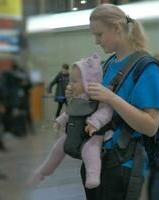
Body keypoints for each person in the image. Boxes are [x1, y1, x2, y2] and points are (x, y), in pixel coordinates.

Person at [66, 4, 159, 199]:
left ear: (117, 28)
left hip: (122, 165)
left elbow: (151, 125)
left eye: (99, 34)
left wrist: (110, 97)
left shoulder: (146, 67)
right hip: (98, 161)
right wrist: (78, 96)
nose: (96, 41)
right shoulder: (110, 63)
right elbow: (102, 107)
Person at [27, 53, 113, 189]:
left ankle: (93, 176)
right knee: (57, 147)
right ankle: (43, 170)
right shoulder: (77, 98)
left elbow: (106, 112)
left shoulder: (98, 98)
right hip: (73, 135)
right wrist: (59, 121)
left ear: (88, 81)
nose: (70, 84)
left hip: (90, 137)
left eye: (75, 81)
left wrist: (94, 122)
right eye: (71, 80)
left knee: (91, 151)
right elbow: (69, 113)